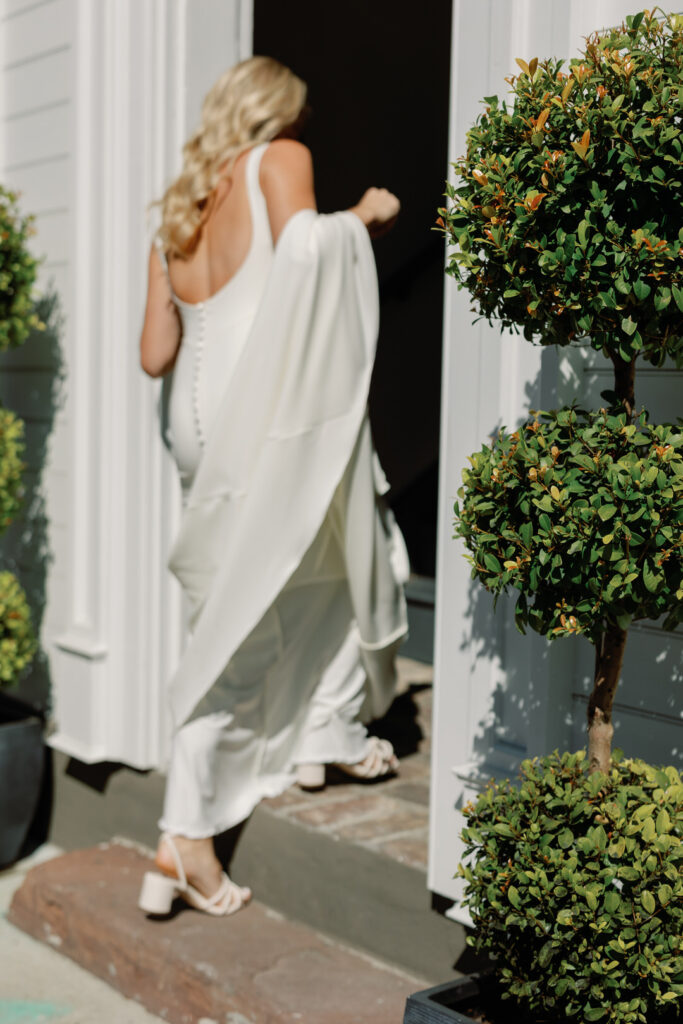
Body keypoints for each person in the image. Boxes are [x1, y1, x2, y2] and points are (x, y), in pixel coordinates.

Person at [138, 56, 408, 918]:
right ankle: (184, 837)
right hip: (268, 411)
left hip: (197, 423)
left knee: (327, 565)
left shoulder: (176, 214)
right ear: (274, 116)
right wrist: (361, 218)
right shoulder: (278, 159)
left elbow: (153, 356)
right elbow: (301, 251)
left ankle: (324, 731)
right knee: (248, 624)